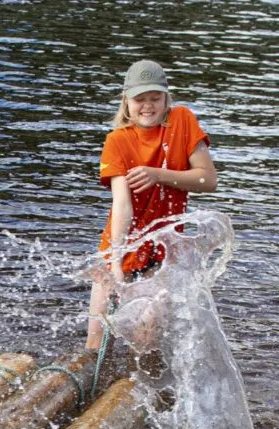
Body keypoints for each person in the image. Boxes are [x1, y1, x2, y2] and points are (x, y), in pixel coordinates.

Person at [87, 59, 219, 350]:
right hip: (120, 248)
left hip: (162, 254)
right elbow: (122, 205)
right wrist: (116, 264)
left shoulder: (183, 121)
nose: (147, 106)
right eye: (140, 99)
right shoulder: (117, 140)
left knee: (146, 340)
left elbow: (208, 180)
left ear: (166, 98)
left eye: (155, 98)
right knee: (96, 341)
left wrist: (158, 175)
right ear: (126, 101)